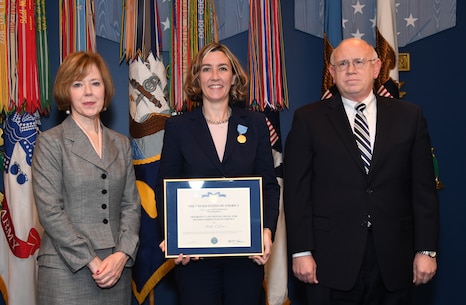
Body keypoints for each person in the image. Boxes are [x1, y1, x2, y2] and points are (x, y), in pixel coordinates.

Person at [283, 38, 439, 305]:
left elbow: (423, 189)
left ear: (377, 67)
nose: (350, 70)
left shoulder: (409, 116)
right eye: (342, 64)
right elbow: (297, 193)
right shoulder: (308, 119)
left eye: (359, 62)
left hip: (395, 258)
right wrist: (300, 251)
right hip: (329, 261)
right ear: (331, 73)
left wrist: (426, 250)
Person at [155, 42, 280, 305]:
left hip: (246, 256)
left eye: (222, 69)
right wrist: (175, 239)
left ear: (234, 77)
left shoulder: (255, 124)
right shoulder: (178, 128)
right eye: (207, 69)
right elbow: (165, 188)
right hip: (195, 258)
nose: (215, 76)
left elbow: (269, 185)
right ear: (197, 78)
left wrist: (267, 231)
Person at [32, 51, 141, 305]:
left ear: (105, 89)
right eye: (78, 85)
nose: (88, 92)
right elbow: (50, 212)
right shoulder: (50, 143)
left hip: (116, 270)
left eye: (95, 83)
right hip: (67, 270)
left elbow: (131, 206)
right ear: (66, 92)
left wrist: (123, 254)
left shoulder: (121, 143)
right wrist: (92, 261)